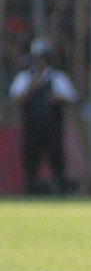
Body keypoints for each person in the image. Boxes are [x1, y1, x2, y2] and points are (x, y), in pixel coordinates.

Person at [9, 37, 79, 195]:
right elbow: (15, 98)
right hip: (32, 126)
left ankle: (60, 191)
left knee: (57, 159)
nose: (40, 62)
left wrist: (57, 99)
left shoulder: (57, 77)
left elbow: (71, 98)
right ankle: (30, 191)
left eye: (43, 59)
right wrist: (31, 89)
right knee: (31, 159)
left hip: (52, 126)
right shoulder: (25, 77)